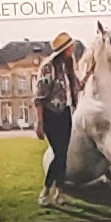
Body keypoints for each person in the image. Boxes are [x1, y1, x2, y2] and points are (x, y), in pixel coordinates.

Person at [35, 32, 83, 204]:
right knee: (59, 153)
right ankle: (46, 191)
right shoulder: (49, 67)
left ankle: (59, 192)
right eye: (71, 46)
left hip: (65, 113)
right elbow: (39, 97)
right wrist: (40, 123)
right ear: (65, 49)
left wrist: (90, 73)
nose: (74, 48)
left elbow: (77, 87)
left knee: (63, 155)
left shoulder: (68, 65)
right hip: (50, 115)